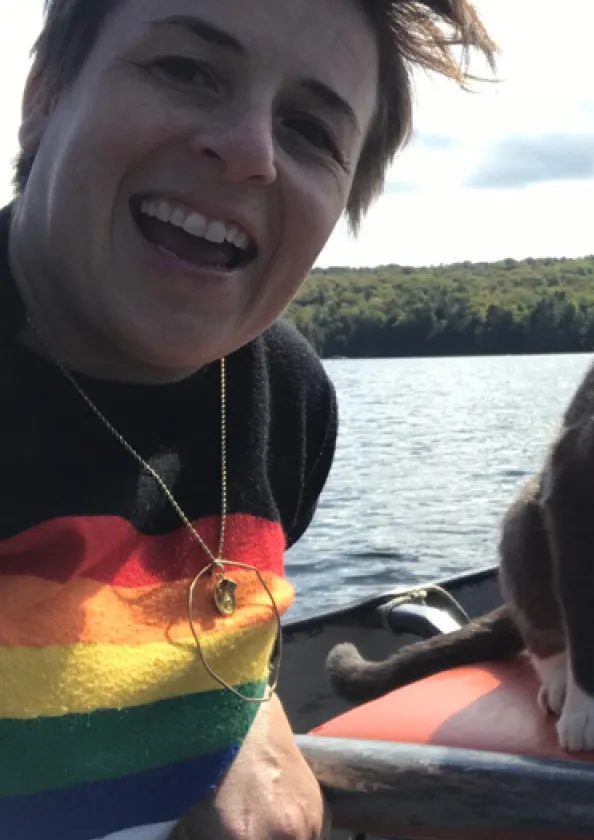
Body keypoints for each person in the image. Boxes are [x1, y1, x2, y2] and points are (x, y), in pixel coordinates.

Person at [0, 1, 497, 839]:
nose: (250, 152)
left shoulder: (286, 398)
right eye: (186, 69)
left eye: (308, 129)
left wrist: (249, 710)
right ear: (47, 91)